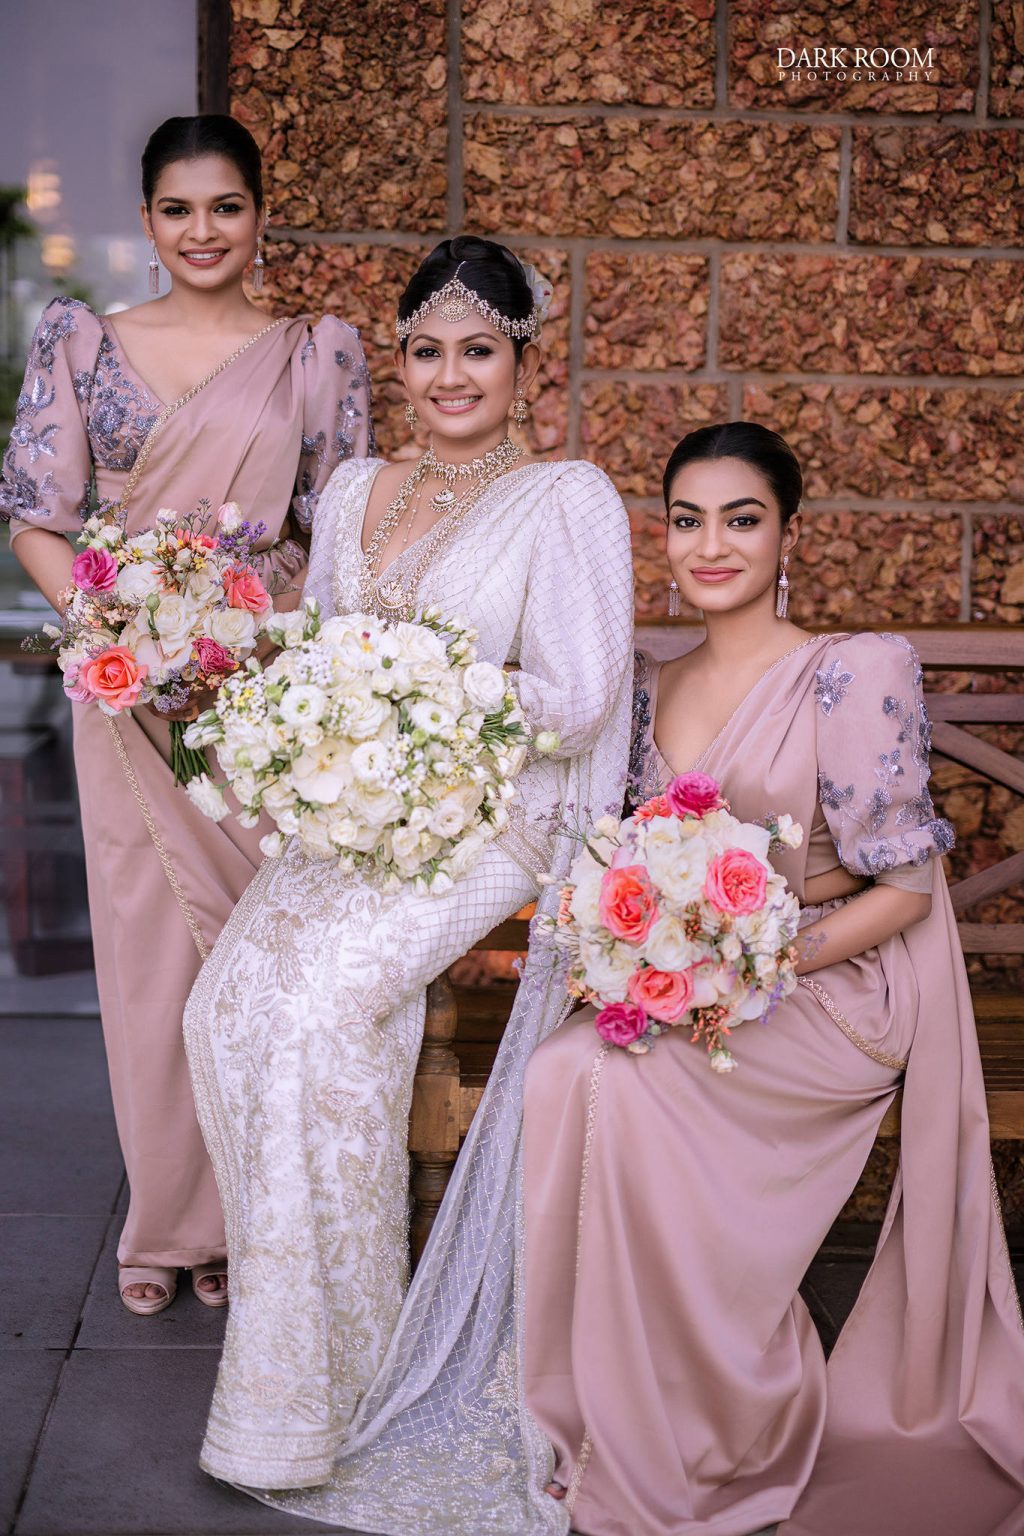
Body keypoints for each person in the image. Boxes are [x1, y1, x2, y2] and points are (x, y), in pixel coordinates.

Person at [181, 235, 633, 1531]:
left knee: (319, 1010)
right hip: (361, 814)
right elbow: (326, 652)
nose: (450, 375)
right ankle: (312, 1365)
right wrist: (328, 717)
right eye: (427, 351)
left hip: (490, 823)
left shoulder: (565, 499)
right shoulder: (356, 489)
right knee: (226, 1013)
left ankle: (335, 1392)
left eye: (477, 349)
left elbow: (581, 692)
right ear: (402, 361)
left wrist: (430, 693)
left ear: (523, 361)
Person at [522, 422, 1024, 1536]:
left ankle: (727, 1411)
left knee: (614, 1085)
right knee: (562, 1074)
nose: (712, 546)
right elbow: (627, 864)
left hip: (836, 989)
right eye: (687, 520)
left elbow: (904, 891)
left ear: (788, 535)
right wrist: (652, 952)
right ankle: (608, 1413)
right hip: (699, 983)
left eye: (741, 520)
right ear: (663, 538)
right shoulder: (647, 687)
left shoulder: (851, 671)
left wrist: (749, 961)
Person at [0, 114, 372, 1315]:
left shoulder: (314, 353)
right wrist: (119, 627)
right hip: (128, 698)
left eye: (225, 206)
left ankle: (246, 1226)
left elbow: (338, 533)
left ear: (260, 213)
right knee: (152, 958)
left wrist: (251, 641)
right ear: (147, 219)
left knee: (257, 956)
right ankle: (168, 1226)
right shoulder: (83, 344)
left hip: (259, 699)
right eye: (177, 209)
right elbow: (36, 518)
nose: (202, 231)